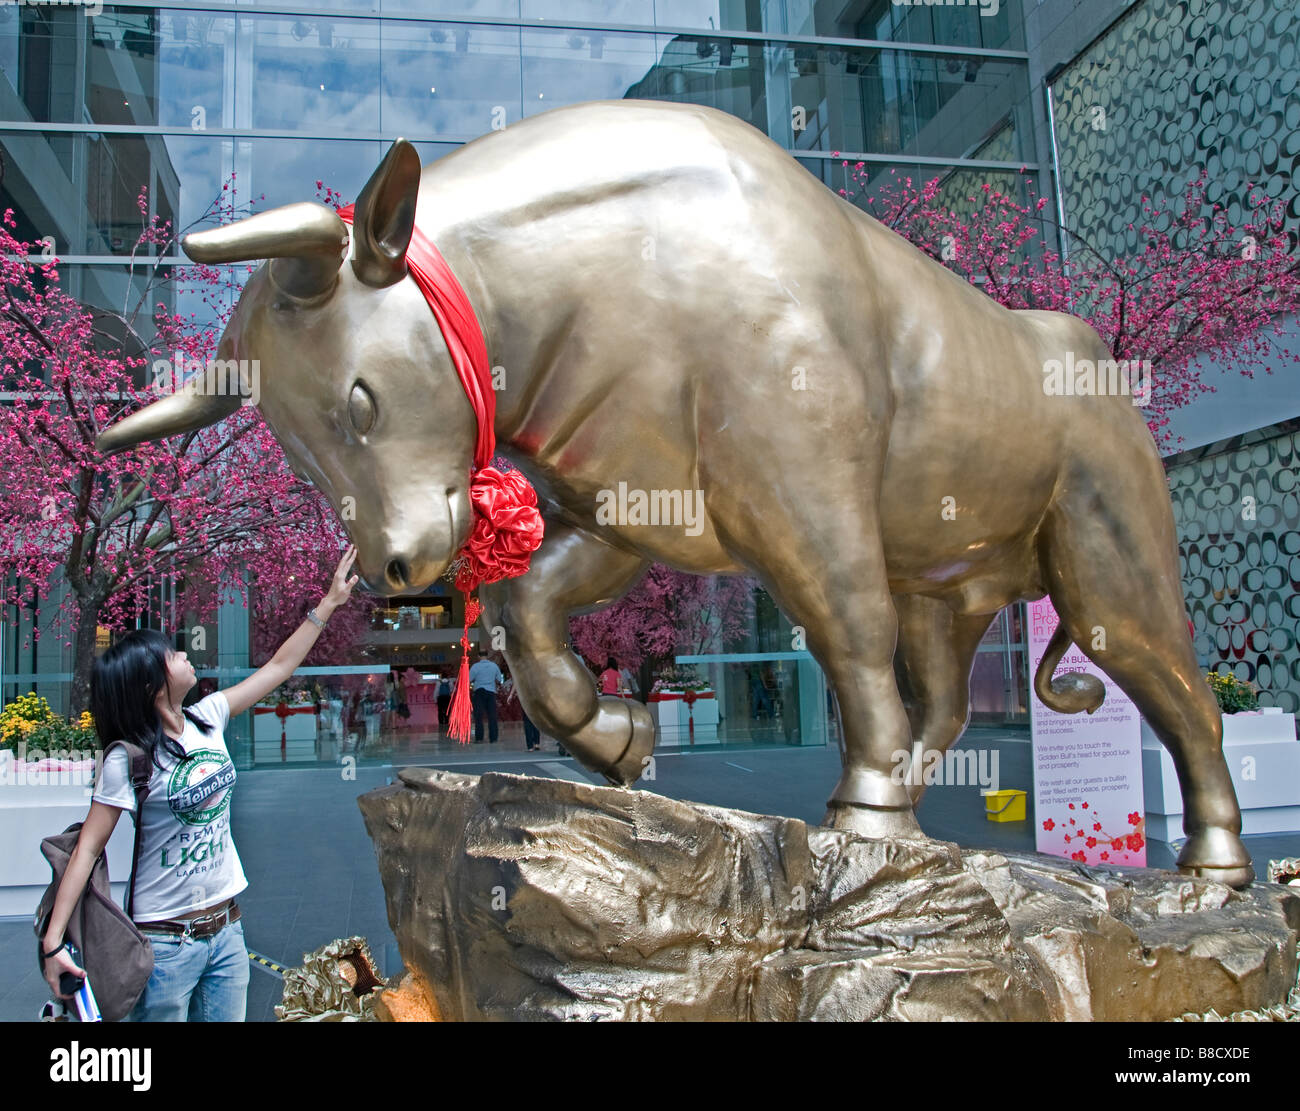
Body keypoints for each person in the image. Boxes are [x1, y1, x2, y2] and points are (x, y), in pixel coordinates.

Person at [39, 546, 360, 1022]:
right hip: (167, 944)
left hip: (228, 931)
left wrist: (327, 605)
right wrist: (52, 943)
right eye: (172, 654)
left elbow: (277, 668)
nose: (186, 654)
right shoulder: (127, 761)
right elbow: (87, 849)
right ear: (151, 684)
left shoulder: (206, 718)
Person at [468, 650, 503, 743]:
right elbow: (499, 679)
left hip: (479, 692)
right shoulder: (494, 666)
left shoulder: (475, 667)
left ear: (479, 656)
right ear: (487, 656)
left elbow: (469, 680)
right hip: (491, 692)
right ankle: (493, 738)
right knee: (492, 716)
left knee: (478, 716)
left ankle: (479, 738)